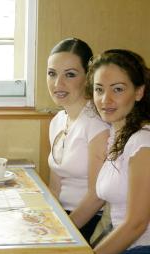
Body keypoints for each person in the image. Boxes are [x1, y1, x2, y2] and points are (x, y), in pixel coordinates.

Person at [0, 49, 150, 254]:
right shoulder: (116, 138)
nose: (106, 99)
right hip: (125, 251)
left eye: (118, 89)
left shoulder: (143, 142)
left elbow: (136, 224)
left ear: (139, 92)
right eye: (99, 89)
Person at [47, 38, 110, 241]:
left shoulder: (97, 124)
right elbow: (55, 186)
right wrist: (44, 221)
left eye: (70, 75)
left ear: (88, 77)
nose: (58, 84)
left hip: (86, 220)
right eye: (52, 74)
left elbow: (97, 196)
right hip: (61, 217)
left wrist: (63, 232)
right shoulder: (58, 120)